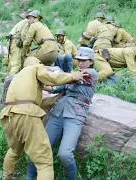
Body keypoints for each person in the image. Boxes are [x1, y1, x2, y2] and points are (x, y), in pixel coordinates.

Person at [0, 56, 87, 180]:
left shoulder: (18, 77)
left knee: (14, 151)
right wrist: (72, 76)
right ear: (38, 63)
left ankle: (7, 177)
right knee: (44, 162)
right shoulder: (35, 67)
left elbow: (36, 103)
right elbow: (51, 78)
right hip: (27, 116)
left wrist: (58, 97)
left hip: (8, 116)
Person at [26, 47, 98, 180]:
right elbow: (56, 87)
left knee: (65, 154)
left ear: (91, 62)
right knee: (41, 147)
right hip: (59, 111)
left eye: (84, 60)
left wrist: (45, 74)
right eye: (78, 60)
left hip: (76, 115)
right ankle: (30, 176)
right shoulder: (73, 75)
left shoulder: (90, 73)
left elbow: (67, 79)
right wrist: (39, 82)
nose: (80, 63)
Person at [6, 10, 32, 75]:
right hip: (16, 42)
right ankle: (10, 82)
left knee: (12, 63)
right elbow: (23, 34)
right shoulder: (27, 22)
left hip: (11, 42)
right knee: (16, 65)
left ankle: (7, 78)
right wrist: (26, 47)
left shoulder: (22, 22)